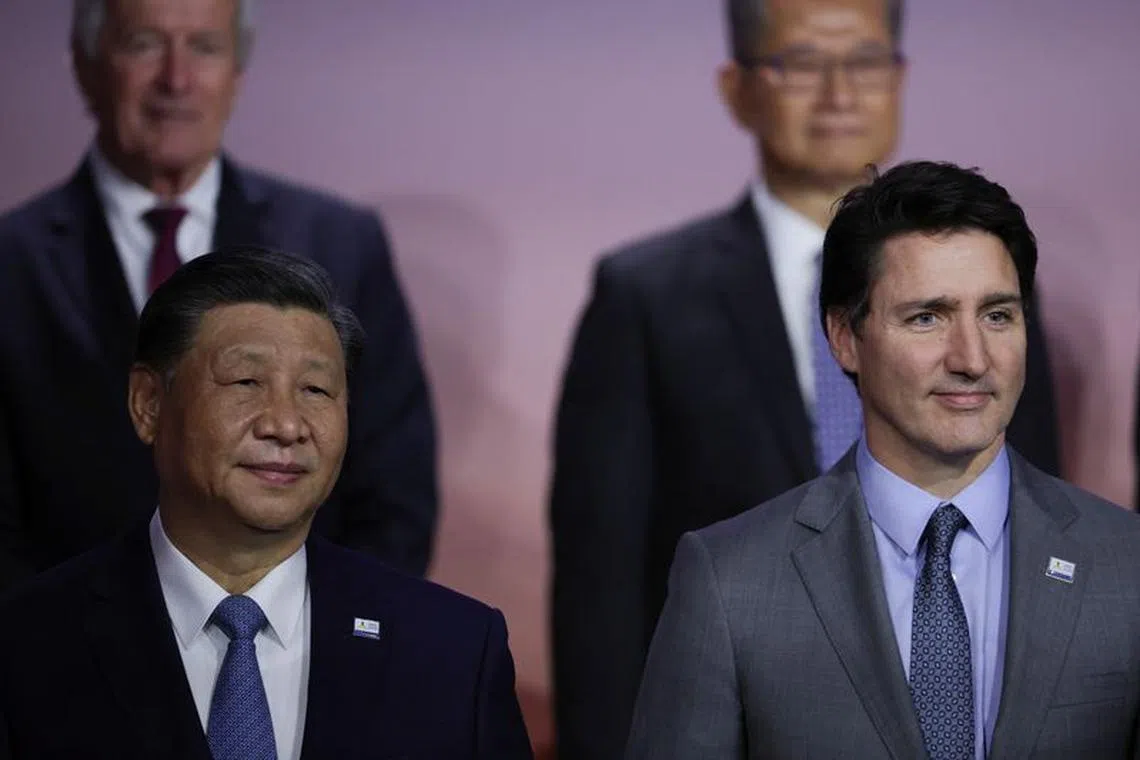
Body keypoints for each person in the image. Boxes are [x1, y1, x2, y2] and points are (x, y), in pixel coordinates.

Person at [548, 1, 1062, 756]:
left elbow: (1039, 499)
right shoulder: (646, 294)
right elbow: (602, 579)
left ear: (900, 76)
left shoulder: (988, 286)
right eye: (802, 65)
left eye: (863, 62)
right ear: (737, 88)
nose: (839, 94)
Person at [625, 161, 1140, 759]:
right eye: (928, 317)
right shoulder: (729, 581)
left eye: (997, 315)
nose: (972, 358)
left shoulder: (1127, 565)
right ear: (844, 337)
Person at [0, 247, 533, 760]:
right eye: (246, 381)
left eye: (317, 390)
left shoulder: (453, 651)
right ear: (149, 404)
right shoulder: (27, 645)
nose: (285, 425)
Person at [0, 0, 437, 592]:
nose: (176, 80)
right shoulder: (11, 261)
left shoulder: (340, 244)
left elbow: (394, 498)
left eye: (204, 47)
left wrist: (310, 651)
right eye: (145, 44)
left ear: (238, 73)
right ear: (86, 65)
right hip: (63, 662)